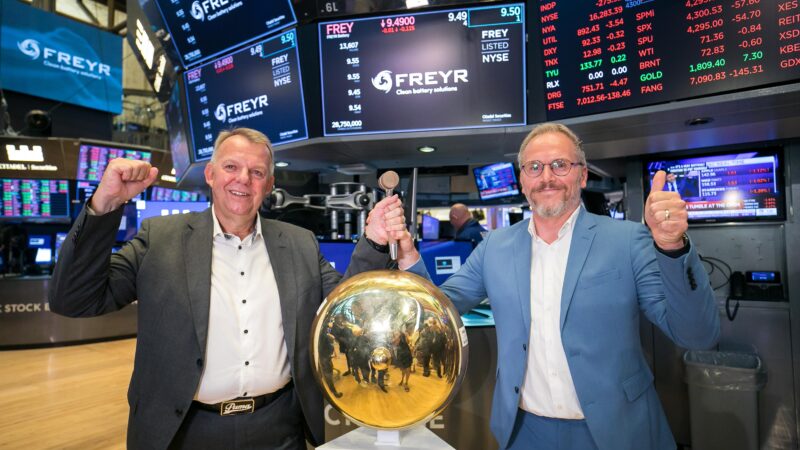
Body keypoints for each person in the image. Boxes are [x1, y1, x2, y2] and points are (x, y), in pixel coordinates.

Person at [48, 128, 408, 449]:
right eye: (231, 167)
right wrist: (105, 204)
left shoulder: (300, 244)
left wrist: (374, 242)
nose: (243, 180)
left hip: (279, 428)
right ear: (210, 174)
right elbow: (74, 299)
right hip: (183, 431)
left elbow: (344, 308)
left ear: (268, 185)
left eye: (257, 173)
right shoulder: (160, 239)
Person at [393, 123, 720, 450]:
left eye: (560, 165)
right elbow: (438, 308)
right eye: (534, 167)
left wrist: (671, 247)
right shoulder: (495, 246)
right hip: (524, 431)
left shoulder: (627, 240)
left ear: (582, 176)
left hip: (616, 429)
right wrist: (408, 257)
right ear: (522, 180)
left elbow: (696, 336)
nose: (546, 176)